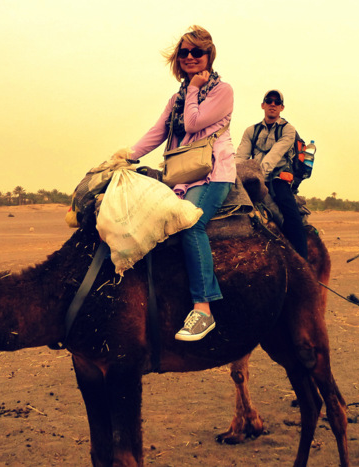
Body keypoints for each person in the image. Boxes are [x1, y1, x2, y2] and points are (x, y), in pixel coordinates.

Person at [122, 25, 235, 342]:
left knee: (190, 222)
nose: (189, 57)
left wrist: (196, 89)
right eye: (184, 52)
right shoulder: (177, 97)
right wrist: (123, 157)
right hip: (181, 175)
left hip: (214, 172)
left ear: (208, 55)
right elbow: (157, 134)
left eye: (196, 52)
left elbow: (193, 123)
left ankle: (203, 309)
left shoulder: (222, 91)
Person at [234, 90, 307, 259]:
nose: (272, 104)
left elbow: (275, 155)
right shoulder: (251, 131)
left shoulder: (288, 130)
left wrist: (259, 175)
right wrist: (233, 176)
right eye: (269, 100)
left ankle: (303, 261)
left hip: (278, 177)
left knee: (288, 210)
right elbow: (241, 156)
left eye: (276, 102)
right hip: (252, 177)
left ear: (281, 107)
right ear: (263, 105)